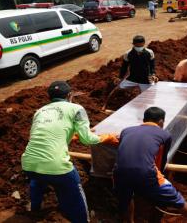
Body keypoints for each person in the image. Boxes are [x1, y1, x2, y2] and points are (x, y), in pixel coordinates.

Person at [21, 81, 118, 223]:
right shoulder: (76, 109)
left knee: (38, 179)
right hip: (56, 166)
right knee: (74, 192)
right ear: (69, 95)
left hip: (28, 163)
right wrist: (107, 137)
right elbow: (87, 140)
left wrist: (75, 134)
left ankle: (35, 209)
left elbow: (46, 135)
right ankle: (82, 220)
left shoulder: (39, 112)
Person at [113, 107, 187, 223]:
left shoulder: (126, 130)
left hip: (119, 172)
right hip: (145, 173)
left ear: (144, 120)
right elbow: (161, 161)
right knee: (177, 200)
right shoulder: (165, 134)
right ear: (161, 122)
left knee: (127, 197)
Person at [102, 35, 157, 110]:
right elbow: (124, 67)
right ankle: (107, 104)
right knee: (119, 87)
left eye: (140, 45)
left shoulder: (149, 53)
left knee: (150, 95)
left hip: (146, 80)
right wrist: (120, 77)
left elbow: (152, 65)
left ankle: (147, 109)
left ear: (144, 43)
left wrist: (153, 74)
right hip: (132, 78)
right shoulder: (128, 54)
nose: (138, 47)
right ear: (133, 44)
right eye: (136, 45)